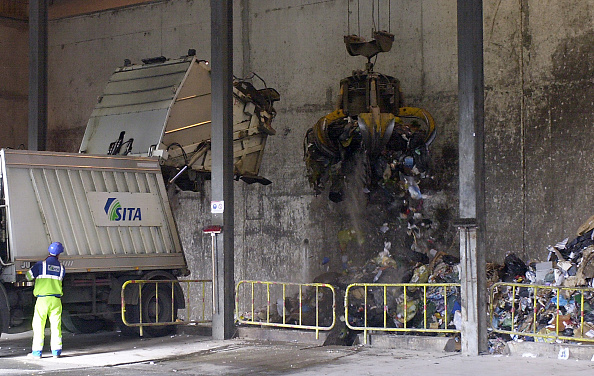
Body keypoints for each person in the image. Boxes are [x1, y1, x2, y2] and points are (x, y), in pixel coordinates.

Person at [26, 242, 66, 359]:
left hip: (42, 300)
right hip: (56, 300)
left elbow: (28, 276)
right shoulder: (62, 268)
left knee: (39, 325)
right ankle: (56, 352)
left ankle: (37, 353)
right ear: (59, 254)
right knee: (56, 325)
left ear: (49, 251)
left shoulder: (40, 265)